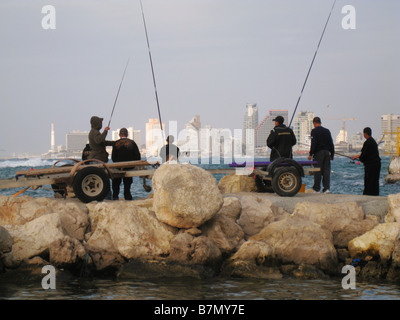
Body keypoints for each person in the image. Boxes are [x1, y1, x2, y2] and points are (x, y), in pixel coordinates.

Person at [111, 128, 141, 200]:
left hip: (118, 167)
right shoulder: (132, 143)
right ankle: (127, 197)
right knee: (127, 184)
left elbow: (113, 157)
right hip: (129, 167)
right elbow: (137, 156)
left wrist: (118, 164)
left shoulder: (116, 143)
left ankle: (115, 197)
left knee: (116, 183)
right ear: (127, 135)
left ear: (119, 135)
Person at [351, 127, 381, 196]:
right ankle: (375, 194)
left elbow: (363, 155)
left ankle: (367, 194)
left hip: (370, 165)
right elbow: (367, 153)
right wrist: (357, 156)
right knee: (375, 181)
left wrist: (360, 158)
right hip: (377, 164)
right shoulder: (373, 141)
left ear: (364, 134)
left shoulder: (367, 142)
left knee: (368, 180)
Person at [308, 117, 335, 193]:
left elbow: (313, 143)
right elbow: (331, 143)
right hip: (327, 153)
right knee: (326, 171)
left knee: (317, 171)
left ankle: (316, 189)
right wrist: (332, 154)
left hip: (318, 153)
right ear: (320, 122)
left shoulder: (314, 131)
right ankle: (326, 189)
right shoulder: (327, 131)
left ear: (314, 123)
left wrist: (310, 154)